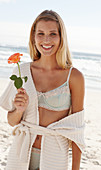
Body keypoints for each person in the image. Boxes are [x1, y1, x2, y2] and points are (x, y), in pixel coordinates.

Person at [0, 10, 85, 170]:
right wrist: (18, 110)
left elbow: (77, 131)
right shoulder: (22, 72)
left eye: (53, 34)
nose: (46, 40)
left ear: (61, 37)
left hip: (54, 157)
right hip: (20, 153)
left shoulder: (74, 77)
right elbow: (12, 121)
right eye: (41, 33)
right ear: (34, 37)